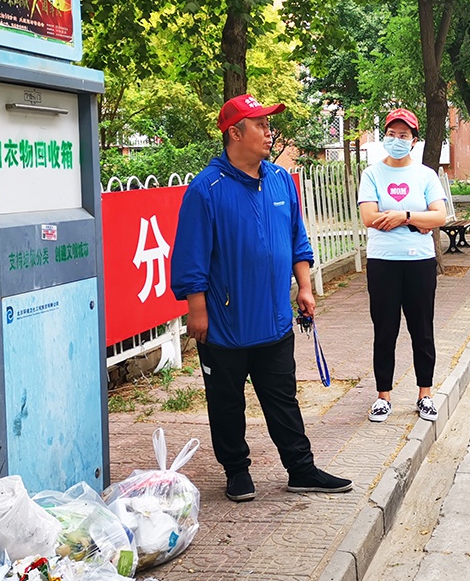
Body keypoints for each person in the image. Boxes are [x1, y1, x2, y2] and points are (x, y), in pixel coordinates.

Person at [171, 93, 353, 502]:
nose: (269, 132)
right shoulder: (206, 189)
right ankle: (236, 471)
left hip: (273, 318)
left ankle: (301, 469)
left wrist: (304, 287)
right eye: (261, 125)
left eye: (269, 125)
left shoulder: (279, 180)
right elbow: (191, 257)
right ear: (235, 133)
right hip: (224, 324)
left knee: (283, 397)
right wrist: (196, 311)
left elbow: (297, 239)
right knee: (226, 403)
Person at [358, 108, 448, 423]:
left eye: (404, 135)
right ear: (385, 136)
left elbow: (439, 217)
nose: (397, 140)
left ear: (414, 140)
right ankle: (383, 396)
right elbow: (369, 217)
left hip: (419, 262)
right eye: (392, 134)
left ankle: (425, 394)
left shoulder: (426, 175)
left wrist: (402, 216)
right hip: (383, 262)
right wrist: (416, 221)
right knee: (385, 330)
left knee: (422, 329)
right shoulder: (371, 174)